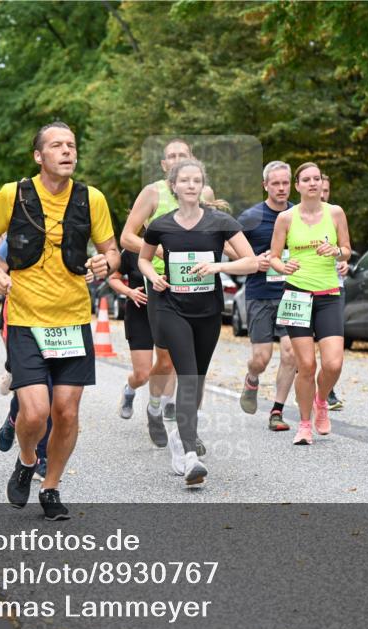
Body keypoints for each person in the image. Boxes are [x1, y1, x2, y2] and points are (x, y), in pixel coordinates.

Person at [0, 120, 119, 520]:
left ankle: (51, 486)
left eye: (71, 145)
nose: (67, 151)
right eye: (57, 146)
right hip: (25, 317)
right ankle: (26, 460)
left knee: (67, 412)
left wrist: (104, 263)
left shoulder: (91, 199)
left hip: (73, 319)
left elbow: (112, 251)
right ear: (39, 156)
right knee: (36, 412)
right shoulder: (13, 194)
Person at [140, 158, 258, 485]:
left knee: (198, 378)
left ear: (202, 186)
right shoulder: (161, 225)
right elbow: (143, 259)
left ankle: (180, 439)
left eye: (196, 180)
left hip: (207, 311)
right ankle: (191, 456)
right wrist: (154, 277)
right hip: (170, 307)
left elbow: (250, 262)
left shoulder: (220, 222)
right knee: (188, 374)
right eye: (185, 180)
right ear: (173, 187)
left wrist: (218, 268)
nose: (191, 185)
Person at [120, 139, 214, 446]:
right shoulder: (152, 193)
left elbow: (217, 235)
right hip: (161, 284)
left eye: (182, 156)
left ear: (192, 160)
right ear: (164, 166)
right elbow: (127, 237)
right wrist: (160, 250)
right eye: (171, 157)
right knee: (166, 360)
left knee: (191, 363)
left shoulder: (205, 194)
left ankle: (185, 429)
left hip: (197, 283)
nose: (176, 160)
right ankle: (155, 407)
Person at [269, 162, 351, 446]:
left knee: (333, 362)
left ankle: (321, 400)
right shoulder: (286, 219)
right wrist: (283, 268)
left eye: (317, 178)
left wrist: (338, 253)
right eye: (307, 179)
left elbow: (347, 251)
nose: (313, 183)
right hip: (297, 295)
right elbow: (274, 257)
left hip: (329, 296)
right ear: (298, 186)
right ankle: (304, 425)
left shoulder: (336, 213)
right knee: (305, 364)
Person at [236, 161, 297, 431]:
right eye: (276, 183)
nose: (281, 188)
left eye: (285, 183)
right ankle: (252, 378)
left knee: (291, 352)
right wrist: (251, 260)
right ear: (265, 186)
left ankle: (277, 411)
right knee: (261, 358)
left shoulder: (300, 214)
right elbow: (227, 246)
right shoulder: (251, 217)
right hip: (260, 293)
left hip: (293, 293)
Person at [108, 249, 156, 420]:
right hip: (139, 314)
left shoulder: (174, 243)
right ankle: (129, 390)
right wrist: (129, 292)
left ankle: (156, 410)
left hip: (169, 314)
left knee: (168, 366)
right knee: (143, 375)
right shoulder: (132, 250)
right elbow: (113, 278)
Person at [321, 173, 352, 412]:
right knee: (300, 352)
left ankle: (326, 392)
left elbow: (345, 250)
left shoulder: (335, 214)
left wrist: (343, 262)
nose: (321, 194)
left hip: (333, 288)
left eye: (326, 190)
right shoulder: (293, 216)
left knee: (331, 349)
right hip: (301, 288)